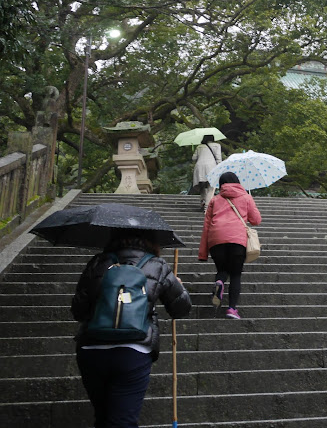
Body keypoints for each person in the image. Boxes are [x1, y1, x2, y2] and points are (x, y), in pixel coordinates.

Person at [71, 233, 192, 428]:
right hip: (133, 352)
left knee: (103, 418)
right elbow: (181, 308)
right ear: (152, 240)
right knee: (122, 421)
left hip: (92, 350)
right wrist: (179, 286)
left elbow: (78, 310)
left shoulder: (97, 262)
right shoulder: (157, 265)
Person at [199, 171, 262, 320]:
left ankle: (219, 282)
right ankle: (232, 309)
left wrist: (203, 253)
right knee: (235, 274)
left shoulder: (214, 200)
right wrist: (249, 201)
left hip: (216, 239)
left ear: (221, 184)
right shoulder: (246, 197)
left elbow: (206, 226)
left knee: (222, 269)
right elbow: (256, 220)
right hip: (237, 240)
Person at [192, 134, 222, 212]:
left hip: (199, 167)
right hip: (211, 167)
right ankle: (207, 206)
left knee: (202, 185)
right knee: (211, 187)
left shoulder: (199, 146)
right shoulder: (217, 145)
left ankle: (203, 201)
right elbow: (218, 159)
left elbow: (193, 158)